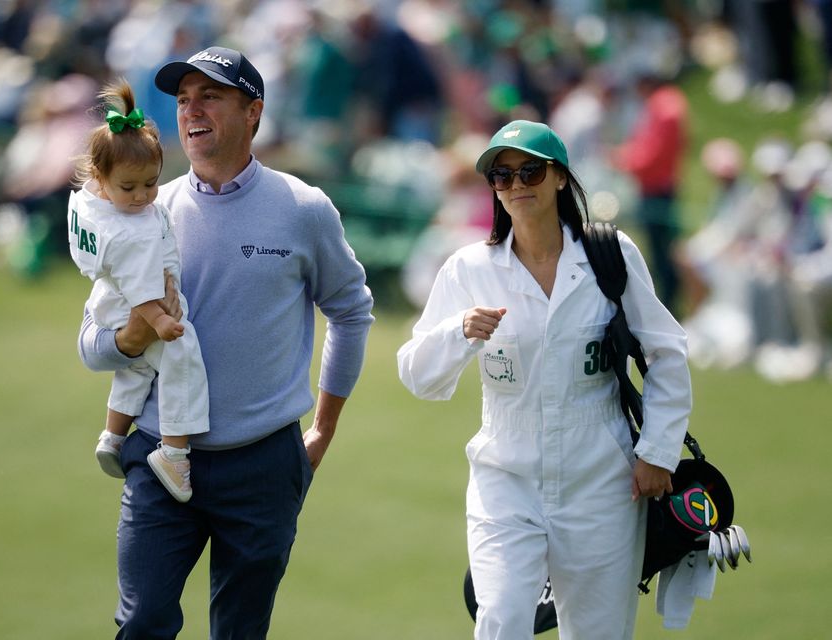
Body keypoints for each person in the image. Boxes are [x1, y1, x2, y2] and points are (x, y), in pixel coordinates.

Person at [77, 46, 374, 639]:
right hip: (161, 458)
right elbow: (91, 346)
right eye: (184, 100)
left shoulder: (303, 209)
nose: (192, 111)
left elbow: (351, 311)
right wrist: (133, 335)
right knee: (143, 624)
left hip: (264, 464)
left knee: (240, 631)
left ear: (253, 111)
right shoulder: (145, 212)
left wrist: (324, 427)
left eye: (210, 96)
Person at [397, 120, 691, 640]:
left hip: (602, 477)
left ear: (559, 177)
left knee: (600, 631)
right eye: (501, 176)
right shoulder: (469, 268)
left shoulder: (610, 255)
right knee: (502, 621)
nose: (516, 184)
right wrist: (457, 332)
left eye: (530, 170)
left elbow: (666, 352)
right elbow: (417, 374)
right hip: (504, 475)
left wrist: (657, 452)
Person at [67, 79, 208, 503]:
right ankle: (174, 451)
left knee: (139, 369)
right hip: (138, 306)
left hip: (106, 300)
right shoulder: (132, 235)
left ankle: (112, 436)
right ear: (102, 177)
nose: (144, 196)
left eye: (151, 183)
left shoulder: (90, 201)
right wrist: (163, 321)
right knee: (182, 359)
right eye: (129, 188)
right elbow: (145, 290)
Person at [612, 70, 688, 313]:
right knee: (662, 250)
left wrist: (625, 160)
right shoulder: (669, 102)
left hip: (656, 187)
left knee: (662, 253)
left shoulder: (662, 106)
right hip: (661, 184)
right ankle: (669, 302)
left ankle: (669, 305)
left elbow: (652, 153)